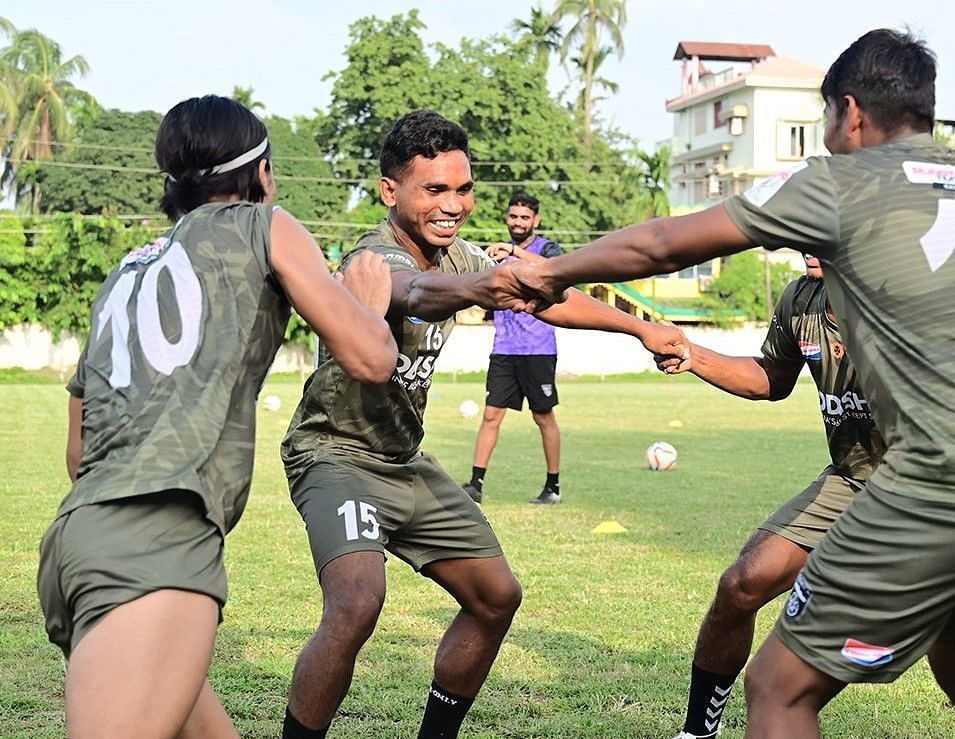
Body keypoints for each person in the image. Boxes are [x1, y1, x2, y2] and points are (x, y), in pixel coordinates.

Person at [504, 29, 955, 739]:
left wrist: (548, 270)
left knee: (779, 686)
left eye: (830, 127)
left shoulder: (847, 179)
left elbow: (661, 244)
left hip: (944, 474)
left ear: (851, 113)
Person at [278, 109, 688, 739]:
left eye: (463, 189)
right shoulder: (373, 258)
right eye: (434, 190)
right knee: (357, 604)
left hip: (404, 459)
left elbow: (547, 294)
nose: (453, 204)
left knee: (496, 597)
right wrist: (478, 286)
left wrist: (638, 327)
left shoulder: (460, 254)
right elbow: (413, 292)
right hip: (337, 455)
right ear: (391, 192)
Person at [36, 94, 397, 739]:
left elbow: (77, 449)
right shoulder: (266, 224)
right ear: (259, 174)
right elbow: (372, 358)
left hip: (79, 544)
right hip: (160, 545)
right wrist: (368, 302)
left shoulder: (128, 269)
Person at [663, 255, 884, 738]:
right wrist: (694, 354)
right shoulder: (800, 297)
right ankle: (698, 732)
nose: (801, 239)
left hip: (921, 487)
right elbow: (773, 377)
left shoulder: (896, 293)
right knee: (741, 585)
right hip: (850, 479)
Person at [462, 192, 566, 505]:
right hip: (504, 348)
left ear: (536, 220)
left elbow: (556, 270)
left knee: (543, 417)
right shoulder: (496, 254)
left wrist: (514, 251)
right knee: (491, 415)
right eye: (513, 217)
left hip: (538, 348)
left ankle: (553, 487)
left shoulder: (544, 248)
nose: (517, 222)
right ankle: (475, 485)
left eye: (524, 218)